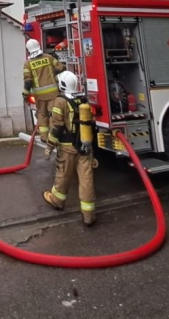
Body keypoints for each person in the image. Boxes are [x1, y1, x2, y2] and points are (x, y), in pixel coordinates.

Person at [42, 71, 96, 226]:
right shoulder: (83, 99)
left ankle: (57, 200)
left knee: (63, 175)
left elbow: (57, 127)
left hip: (67, 148)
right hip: (85, 147)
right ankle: (88, 215)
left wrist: (49, 146)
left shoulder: (60, 101)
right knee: (86, 180)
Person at [23, 38, 64, 144]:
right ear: (39, 46)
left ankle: (44, 137)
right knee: (53, 114)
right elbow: (61, 68)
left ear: (28, 50)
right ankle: (54, 136)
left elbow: (28, 82)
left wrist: (25, 95)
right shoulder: (49, 57)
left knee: (42, 114)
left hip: (39, 96)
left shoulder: (28, 64)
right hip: (53, 93)